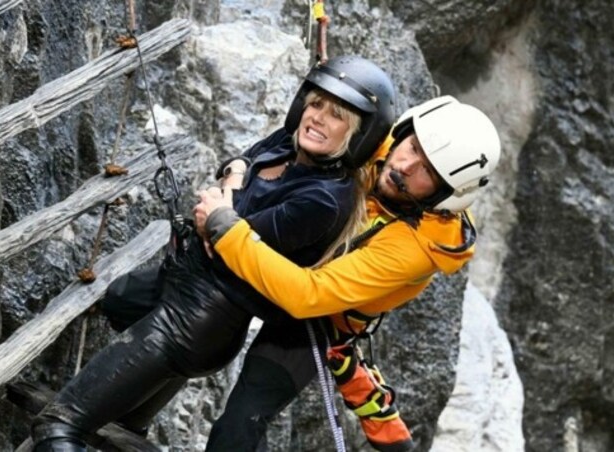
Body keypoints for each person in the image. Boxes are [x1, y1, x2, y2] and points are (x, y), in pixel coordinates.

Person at [30, 55, 397, 451]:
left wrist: (221, 208)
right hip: (183, 285)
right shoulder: (290, 143)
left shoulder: (323, 200)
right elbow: (237, 167)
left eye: (336, 115)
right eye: (315, 104)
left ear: (358, 135)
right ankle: (133, 417)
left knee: (58, 428)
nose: (317, 118)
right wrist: (233, 182)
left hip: (197, 320)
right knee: (121, 300)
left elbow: (226, 235)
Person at [195, 95, 502, 451]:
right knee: (140, 307)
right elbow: (299, 138)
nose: (405, 165)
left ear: (443, 196)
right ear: (405, 131)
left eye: (428, 172)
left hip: (318, 319)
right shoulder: (383, 143)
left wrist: (227, 230)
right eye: (413, 146)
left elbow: (308, 295)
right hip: (286, 247)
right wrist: (240, 167)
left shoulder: (418, 249)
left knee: (241, 423)